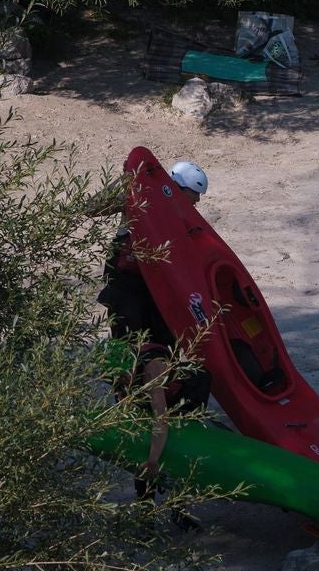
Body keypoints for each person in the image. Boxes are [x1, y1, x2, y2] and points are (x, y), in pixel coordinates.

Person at [98, 160, 207, 342]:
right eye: (195, 193)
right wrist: (126, 181)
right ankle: (120, 371)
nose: (197, 200)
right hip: (126, 283)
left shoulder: (185, 217)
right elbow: (93, 207)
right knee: (123, 343)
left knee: (164, 344)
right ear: (178, 187)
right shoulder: (139, 194)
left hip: (159, 289)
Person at [117, 336, 211, 530]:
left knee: (182, 446)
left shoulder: (152, 371)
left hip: (189, 390)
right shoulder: (118, 372)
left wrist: (153, 460)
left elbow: (161, 418)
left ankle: (179, 510)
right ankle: (147, 517)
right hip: (157, 387)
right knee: (143, 446)